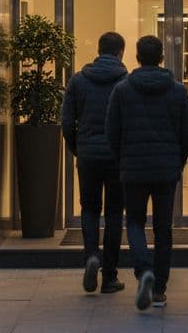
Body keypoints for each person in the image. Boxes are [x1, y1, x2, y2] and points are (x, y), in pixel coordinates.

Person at [106, 34, 188, 311]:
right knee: (163, 228)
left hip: (133, 169)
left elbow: (112, 131)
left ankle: (143, 268)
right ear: (161, 58)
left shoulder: (122, 90)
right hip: (166, 169)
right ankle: (158, 290)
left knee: (133, 220)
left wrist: (123, 157)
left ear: (136, 57)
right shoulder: (178, 91)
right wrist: (177, 160)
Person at [62, 31, 129, 295]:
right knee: (114, 214)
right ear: (120, 53)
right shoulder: (125, 81)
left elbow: (67, 121)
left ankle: (91, 255)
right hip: (116, 156)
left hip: (88, 154)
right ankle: (109, 277)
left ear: (99, 51)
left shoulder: (78, 81)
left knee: (89, 209)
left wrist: (76, 147)